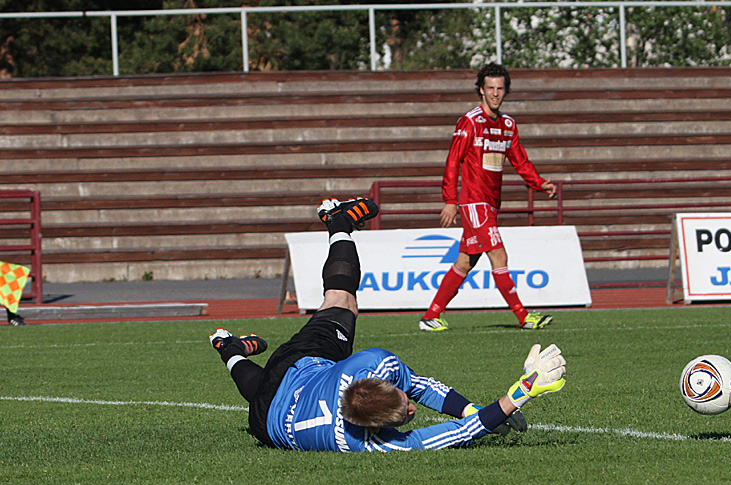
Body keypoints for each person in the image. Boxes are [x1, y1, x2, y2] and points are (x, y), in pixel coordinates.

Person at [208, 196, 567, 452]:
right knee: (341, 300)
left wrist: (501, 402)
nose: (412, 408)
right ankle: (339, 223)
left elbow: (423, 393)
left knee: (337, 305)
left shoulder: (370, 366)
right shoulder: (366, 442)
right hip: (267, 423)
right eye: (404, 413)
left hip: (296, 373)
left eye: (402, 403)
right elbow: (455, 431)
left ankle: (231, 350)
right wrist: (523, 390)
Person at [418, 63, 558, 333]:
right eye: (490, 88)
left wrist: (539, 183)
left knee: (465, 262)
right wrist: (450, 199)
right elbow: (453, 161)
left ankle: (431, 316)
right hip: (474, 201)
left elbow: (520, 160)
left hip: (491, 203)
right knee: (499, 255)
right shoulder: (470, 121)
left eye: (500, 89)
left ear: (506, 91)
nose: (495, 93)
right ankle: (524, 316)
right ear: (480, 90)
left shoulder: (507, 124)